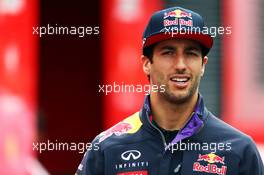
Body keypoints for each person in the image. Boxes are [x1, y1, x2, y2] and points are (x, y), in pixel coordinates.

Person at [76, 6, 264, 175]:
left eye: (191, 53)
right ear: (147, 64)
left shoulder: (240, 151)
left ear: (203, 65)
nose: (180, 65)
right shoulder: (107, 148)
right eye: (168, 52)